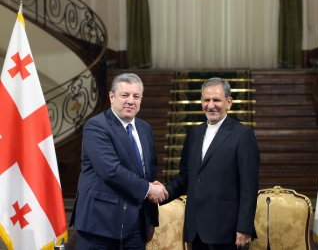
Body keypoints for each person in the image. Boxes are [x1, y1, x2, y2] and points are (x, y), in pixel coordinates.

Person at [70, 73, 168, 250]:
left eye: (136, 96)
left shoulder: (145, 128)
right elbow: (111, 171)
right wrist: (149, 189)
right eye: (125, 95)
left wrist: (151, 219)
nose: (131, 101)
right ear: (111, 97)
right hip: (100, 226)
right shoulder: (96, 126)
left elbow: (148, 172)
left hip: (136, 227)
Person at [160, 77, 260, 249]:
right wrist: (163, 192)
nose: (211, 105)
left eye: (216, 100)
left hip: (227, 231)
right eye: (206, 100)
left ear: (229, 102)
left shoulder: (243, 135)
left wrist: (244, 228)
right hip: (196, 229)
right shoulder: (194, 134)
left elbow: (248, 187)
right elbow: (185, 177)